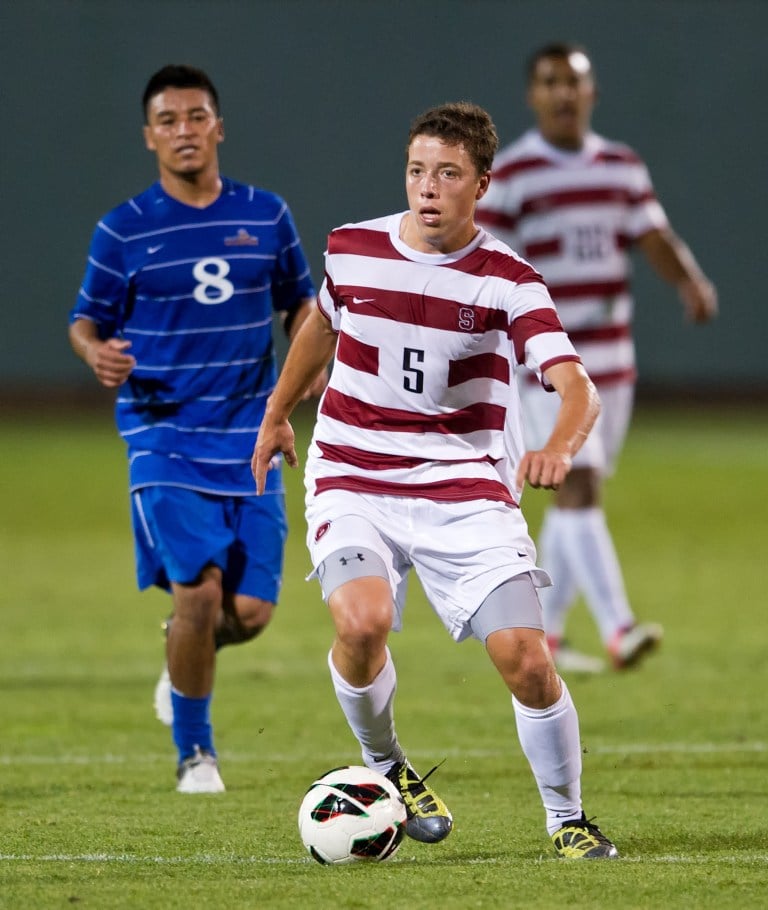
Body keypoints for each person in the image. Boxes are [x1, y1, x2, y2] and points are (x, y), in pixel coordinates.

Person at [252, 101, 618, 858]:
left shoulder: (508, 280)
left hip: (464, 488)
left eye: (448, 174)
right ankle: (387, 767)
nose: (428, 187)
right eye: (418, 170)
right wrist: (278, 410)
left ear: (480, 185)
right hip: (355, 473)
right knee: (360, 623)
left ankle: (566, 819)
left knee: (527, 658)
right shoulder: (353, 249)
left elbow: (579, 385)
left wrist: (559, 445)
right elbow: (322, 321)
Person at [68, 64, 324, 793]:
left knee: (249, 612)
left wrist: (311, 364)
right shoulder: (124, 230)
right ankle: (196, 754)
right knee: (200, 595)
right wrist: (97, 352)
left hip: (251, 434)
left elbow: (300, 308)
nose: (185, 131)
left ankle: (181, 658)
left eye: (196, 116)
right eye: (169, 120)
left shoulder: (266, 216)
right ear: (150, 136)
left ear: (219, 126)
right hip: (164, 435)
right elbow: (85, 321)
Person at [476, 43, 718, 674]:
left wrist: (688, 281)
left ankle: (549, 633)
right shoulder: (515, 172)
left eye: (573, 82)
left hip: (613, 360)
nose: (563, 93)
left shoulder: (620, 165)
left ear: (592, 93)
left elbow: (651, 236)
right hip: (548, 364)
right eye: (550, 82)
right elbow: (486, 259)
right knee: (577, 483)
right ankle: (619, 628)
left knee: (577, 494)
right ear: (533, 95)